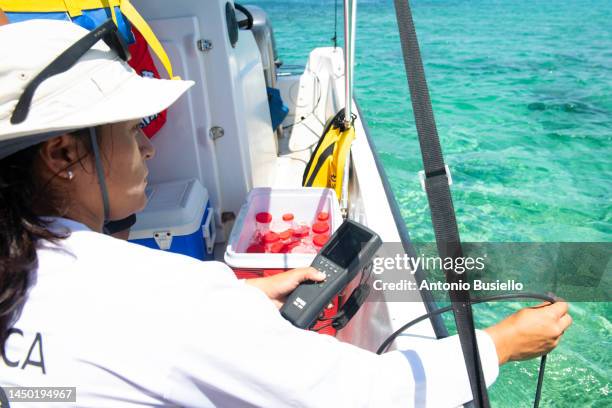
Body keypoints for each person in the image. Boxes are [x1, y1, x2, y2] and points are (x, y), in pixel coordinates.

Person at [0, 20, 572, 407]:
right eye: (130, 131)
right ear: (64, 153)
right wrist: (504, 343)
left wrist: (244, 298)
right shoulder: (161, 294)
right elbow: (361, 395)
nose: (148, 148)